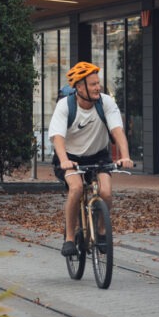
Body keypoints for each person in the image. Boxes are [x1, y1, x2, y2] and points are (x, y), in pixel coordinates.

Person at [48, 61, 132, 257]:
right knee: (76, 188)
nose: (98, 87)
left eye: (98, 83)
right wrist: (64, 161)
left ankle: (102, 232)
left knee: (106, 192)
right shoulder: (65, 106)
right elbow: (58, 137)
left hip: (98, 155)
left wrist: (125, 156)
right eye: (93, 84)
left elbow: (117, 131)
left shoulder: (106, 103)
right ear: (79, 87)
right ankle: (69, 238)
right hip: (70, 157)